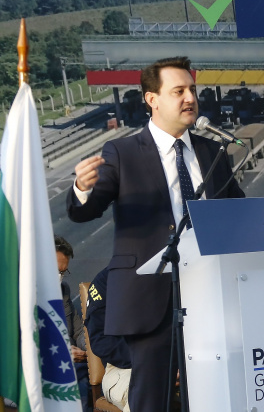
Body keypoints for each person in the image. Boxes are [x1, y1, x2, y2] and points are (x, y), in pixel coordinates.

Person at [66, 57, 245, 412]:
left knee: (219, 397)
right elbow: (86, 209)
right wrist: (81, 189)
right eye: (178, 91)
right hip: (150, 301)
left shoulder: (213, 151)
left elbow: (238, 212)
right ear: (152, 99)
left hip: (212, 296)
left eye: (192, 90)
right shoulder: (124, 152)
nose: (189, 98)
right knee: (154, 401)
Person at [86, 268, 132, 411]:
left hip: (183, 363)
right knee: (146, 392)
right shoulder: (107, 280)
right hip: (124, 368)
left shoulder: (176, 272)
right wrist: (151, 361)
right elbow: (101, 341)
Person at [56, 236, 90, 412]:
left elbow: (78, 331)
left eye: (63, 272)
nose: (59, 277)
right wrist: (61, 353)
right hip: (42, 369)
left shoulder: (63, 291)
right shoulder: (17, 295)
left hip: (75, 365)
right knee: (79, 386)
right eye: (56, 271)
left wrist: (90, 348)